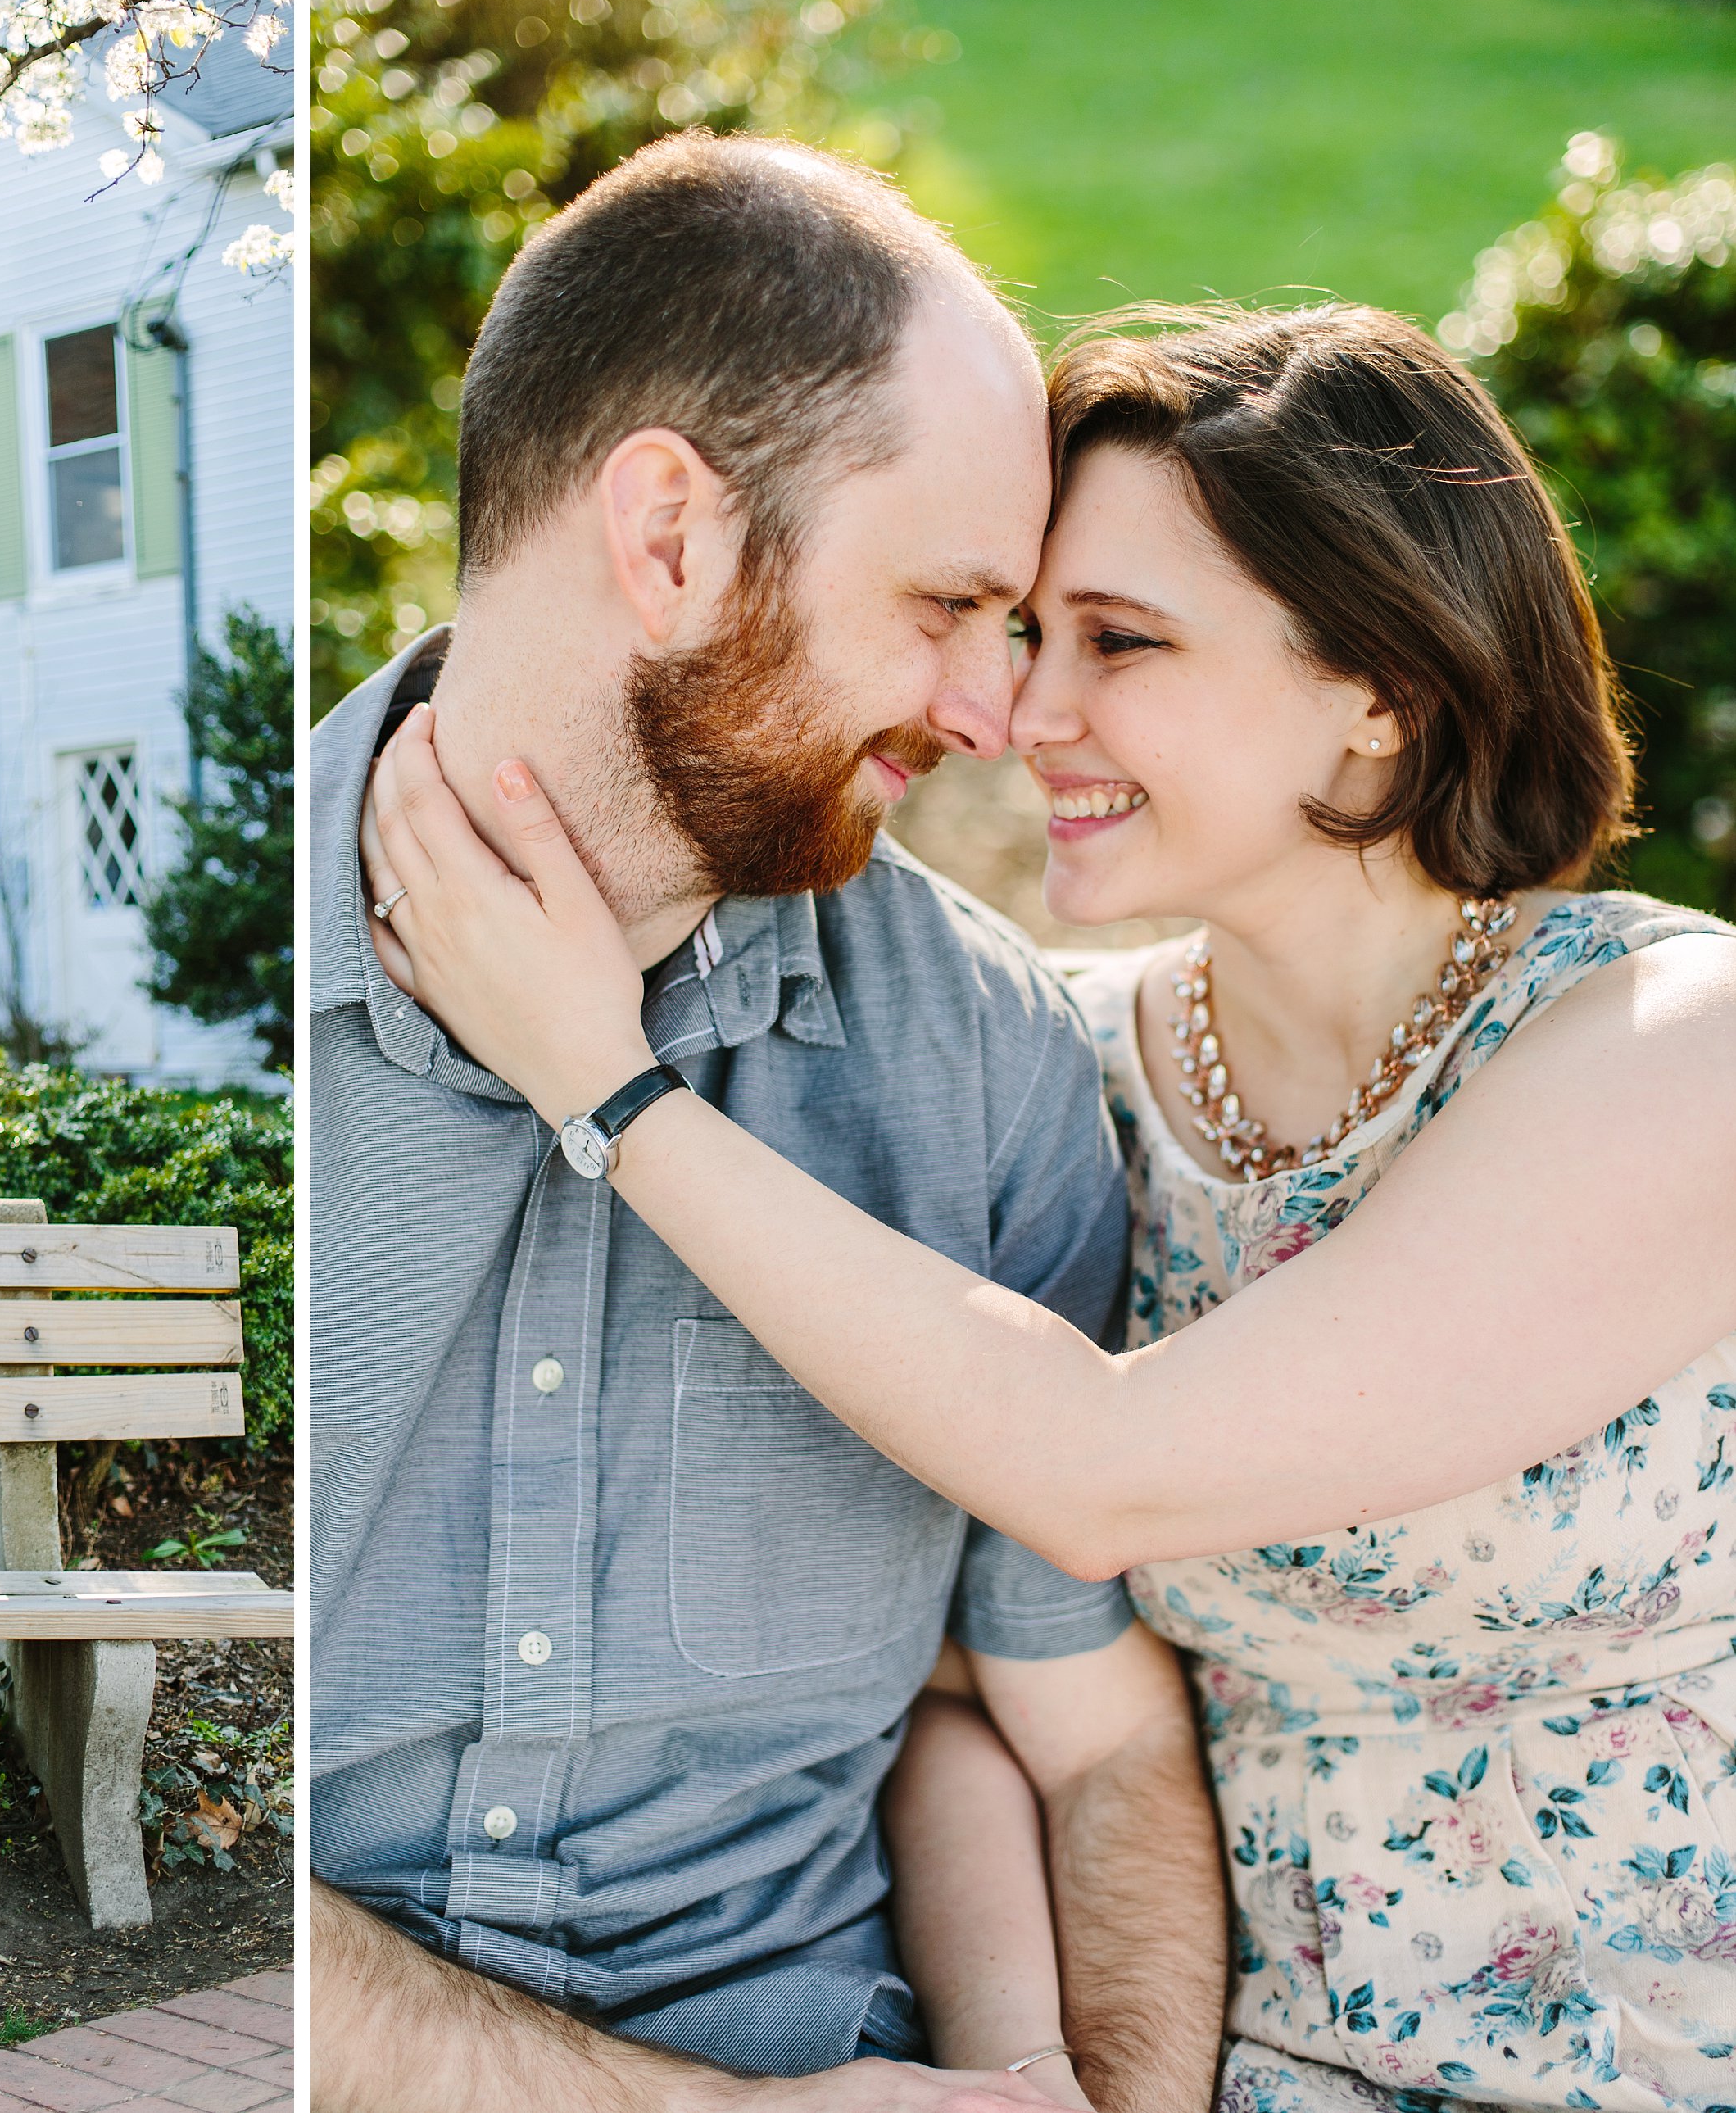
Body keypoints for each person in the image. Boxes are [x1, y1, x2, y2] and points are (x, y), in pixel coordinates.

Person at [364, 302, 1736, 2109]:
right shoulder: (1062, 1075)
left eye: (1120, 641)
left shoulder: (1664, 1044)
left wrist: (602, 1084)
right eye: (1020, 632)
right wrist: (1040, 2077)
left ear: (1379, 696)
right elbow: (965, 1691)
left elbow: (1102, 1470)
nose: (1020, 711)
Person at [310, 132, 1227, 2113]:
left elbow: (1072, 1729)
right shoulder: (233, 1017)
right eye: (948, 603)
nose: (996, 710)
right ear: (669, 538)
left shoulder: (979, 1055)